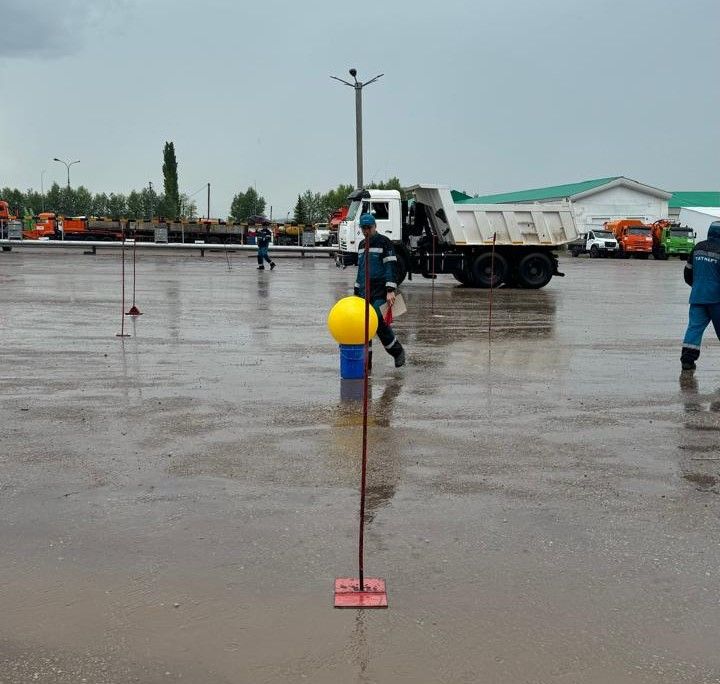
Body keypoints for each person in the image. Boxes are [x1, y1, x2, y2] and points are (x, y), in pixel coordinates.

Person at [354, 213, 405, 368]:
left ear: (375, 226)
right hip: (364, 290)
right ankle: (366, 362)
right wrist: (357, 291)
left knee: (376, 319)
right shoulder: (362, 244)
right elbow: (361, 270)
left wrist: (390, 290)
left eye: (369, 227)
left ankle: (397, 351)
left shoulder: (385, 242)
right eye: (363, 228)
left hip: (380, 290)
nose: (366, 231)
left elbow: (390, 267)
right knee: (364, 325)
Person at [680, 220, 720, 371]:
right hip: (717, 299)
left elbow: (687, 273)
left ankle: (687, 361)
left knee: (694, 329)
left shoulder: (697, 248)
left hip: (697, 296)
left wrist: (697, 286)